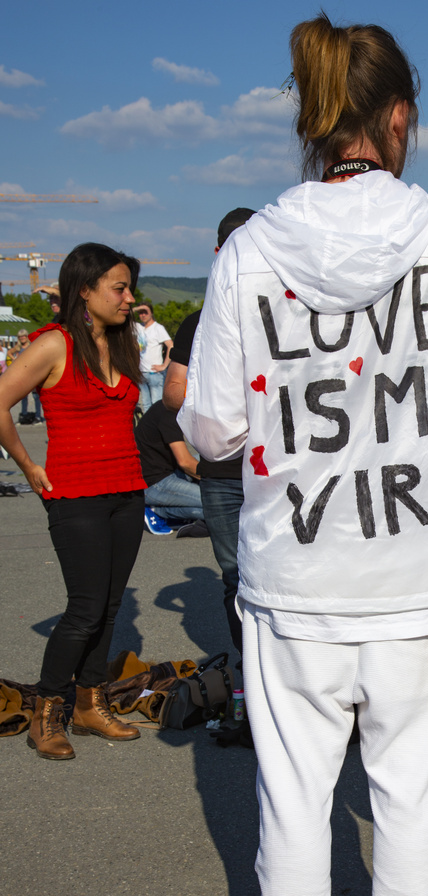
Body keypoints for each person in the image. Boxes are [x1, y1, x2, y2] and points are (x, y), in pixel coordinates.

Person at [182, 13, 428, 896]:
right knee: (411, 797)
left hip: (295, 581)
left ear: (312, 119)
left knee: (292, 802)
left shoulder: (251, 250)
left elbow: (214, 428)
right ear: (400, 118)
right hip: (416, 577)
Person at [0, 242, 146, 760]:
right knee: (84, 608)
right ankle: (48, 712)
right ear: (85, 290)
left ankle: (89, 704)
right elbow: (1, 400)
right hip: (75, 494)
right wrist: (26, 463)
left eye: (130, 287)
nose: (129, 297)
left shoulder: (123, 345)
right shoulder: (55, 344)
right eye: (119, 287)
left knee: (108, 608)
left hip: (127, 491)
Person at [163, 207, 256, 652]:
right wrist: (212, 393)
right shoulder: (197, 322)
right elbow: (173, 392)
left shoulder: (282, 313)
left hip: (274, 466)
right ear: (219, 253)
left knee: (285, 578)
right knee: (235, 578)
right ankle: (244, 689)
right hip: (221, 472)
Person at [134, 399, 207, 532]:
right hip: (153, 484)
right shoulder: (169, 412)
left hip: (170, 471)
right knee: (216, 505)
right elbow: (185, 461)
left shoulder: (173, 407)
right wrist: (219, 481)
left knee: (210, 463)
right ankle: (157, 511)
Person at [134, 302, 172, 412]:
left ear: (151, 313)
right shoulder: (138, 327)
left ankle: (157, 428)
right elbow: (127, 316)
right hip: (142, 372)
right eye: (140, 313)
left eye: (145, 312)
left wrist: (164, 365)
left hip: (155, 373)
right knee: (145, 405)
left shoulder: (158, 328)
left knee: (157, 405)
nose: (143, 315)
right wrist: (137, 308)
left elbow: (170, 345)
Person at [9, 328, 44, 423]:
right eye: (20, 336)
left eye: (24, 336)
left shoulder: (31, 346)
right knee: (23, 397)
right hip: (22, 375)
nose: (22, 338)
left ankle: (37, 416)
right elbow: (9, 352)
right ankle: (24, 415)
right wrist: (14, 359)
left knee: (36, 396)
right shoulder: (18, 347)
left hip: (32, 374)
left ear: (26, 336)